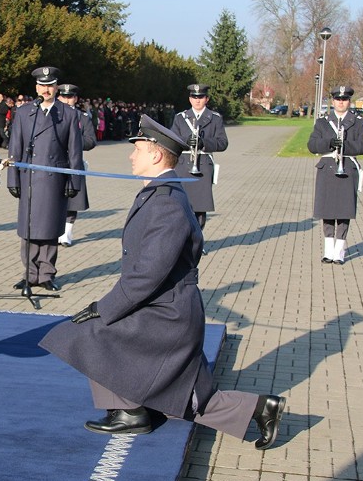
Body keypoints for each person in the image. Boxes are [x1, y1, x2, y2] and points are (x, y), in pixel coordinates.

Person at [39, 114, 285, 449]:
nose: (130, 155)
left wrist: (104, 307)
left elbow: (148, 274)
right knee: (189, 399)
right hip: (165, 307)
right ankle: (259, 408)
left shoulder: (166, 202)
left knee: (89, 333)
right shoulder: (160, 193)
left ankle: (130, 413)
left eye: (137, 149)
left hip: (167, 315)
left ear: (155, 155)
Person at [6, 67, 84, 291]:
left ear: (56, 87)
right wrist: (13, 179)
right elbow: (15, 148)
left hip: (55, 179)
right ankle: (30, 274)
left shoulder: (68, 113)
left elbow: (75, 152)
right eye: (42, 85)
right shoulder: (23, 113)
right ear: (36, 87)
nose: (46, 89)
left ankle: (47, 273)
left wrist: (73, 181)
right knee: (29, 228)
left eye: (50, 85)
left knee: (50, 228)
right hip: (29, 179)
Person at [308, 86, 363, 265]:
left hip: (347, 169)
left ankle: (339, 251)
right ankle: (328, 251)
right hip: (328, 169)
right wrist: (329, 143)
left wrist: (346, 146)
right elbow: (312, 145)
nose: (341, 102)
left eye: (344, 99)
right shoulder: (323, 122)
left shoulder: (358, 122)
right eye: (338, 99)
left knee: (344, 211)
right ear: (333, 101)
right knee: (327, 210)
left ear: (349, 101)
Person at [170, 83, 229, 232]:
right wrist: (185, 140)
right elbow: (171, 140)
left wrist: (204, 143)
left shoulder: (215, 118)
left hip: (202, 166)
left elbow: (223, 143)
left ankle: (197, 242)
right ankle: (183, 242)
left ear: (207, 99)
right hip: (183, 165)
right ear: (190, 99)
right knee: (181, 206)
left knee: (199, 208)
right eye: (194, 97)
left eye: (201, 97)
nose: (197, 100)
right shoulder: (180, 118)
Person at [56, 83, 96, 247]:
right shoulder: (51, 115)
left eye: (70, 97)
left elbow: (91, 140)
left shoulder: (83, 118)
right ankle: (53, 231)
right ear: (58, 97)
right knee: (52, 197)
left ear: (75, 98)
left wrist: (74, 140)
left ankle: (66, 233)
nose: (67, 100)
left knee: (72, 200)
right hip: (55, 162)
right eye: (64, 96)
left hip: (73, 163)